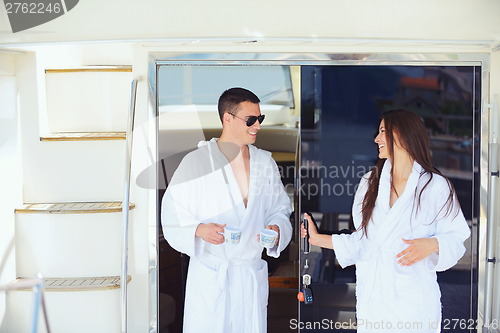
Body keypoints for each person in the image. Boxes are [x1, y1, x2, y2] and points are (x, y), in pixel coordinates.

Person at [301, 109, 470, 333]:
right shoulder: (369, 183)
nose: (376, 139)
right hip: (375, 305)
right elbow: (364, 243)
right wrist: (316, 238)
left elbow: (457, 240)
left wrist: (434, 244)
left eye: (383, 131)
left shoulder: (434, 186)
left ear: (402, 134)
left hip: (414, 306)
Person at [161, 87, 292, 333]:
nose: (258, 126)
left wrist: (276, 228)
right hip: (213, 277)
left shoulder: (265, 163)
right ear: (227, 118)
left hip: (249, 275)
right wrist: (199, 230)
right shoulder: (197, 162)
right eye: (250, 119)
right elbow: (172, 213)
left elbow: (280, 210)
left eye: (260, 119)